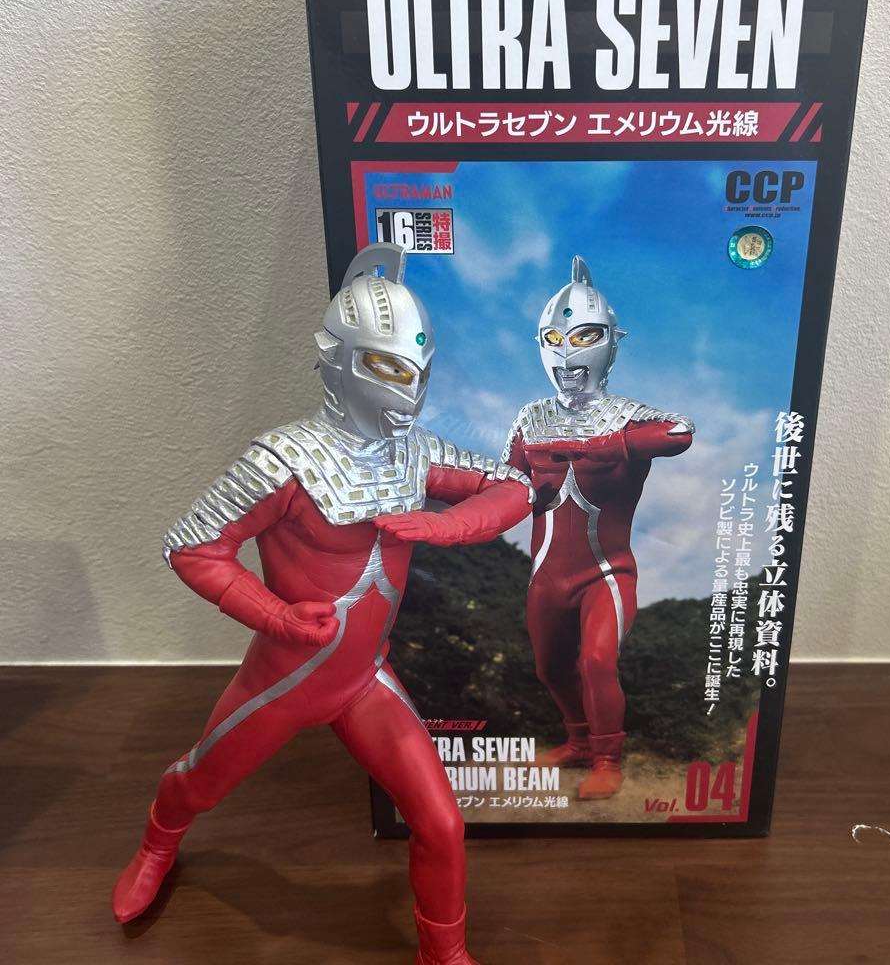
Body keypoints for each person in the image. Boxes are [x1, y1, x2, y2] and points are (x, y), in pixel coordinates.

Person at [112, 244, 533, 965]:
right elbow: (192, 546)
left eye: (419, 370)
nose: (410, 389)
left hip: (364, 677)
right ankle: (157, 841)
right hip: (284, 676)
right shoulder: (284, 460)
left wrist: (446, 526)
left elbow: (515, 487)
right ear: (341, 361)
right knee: (199, 781)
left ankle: (444, 953)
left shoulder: (417, 453)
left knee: (441, 824)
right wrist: (274, 615)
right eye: (391, 368)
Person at [504, 256, 693, 800]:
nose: (568, 352)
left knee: (595, 660)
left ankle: (608, 758)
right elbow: (505, 483)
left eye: (584, 336)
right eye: (554, 338)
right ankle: (579, 741)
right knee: (549, 668)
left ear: (610, 342)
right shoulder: (531, 417)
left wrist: (610, 445)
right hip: (546, 577)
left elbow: (680, 431)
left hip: (606, 574)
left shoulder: (628, 415)